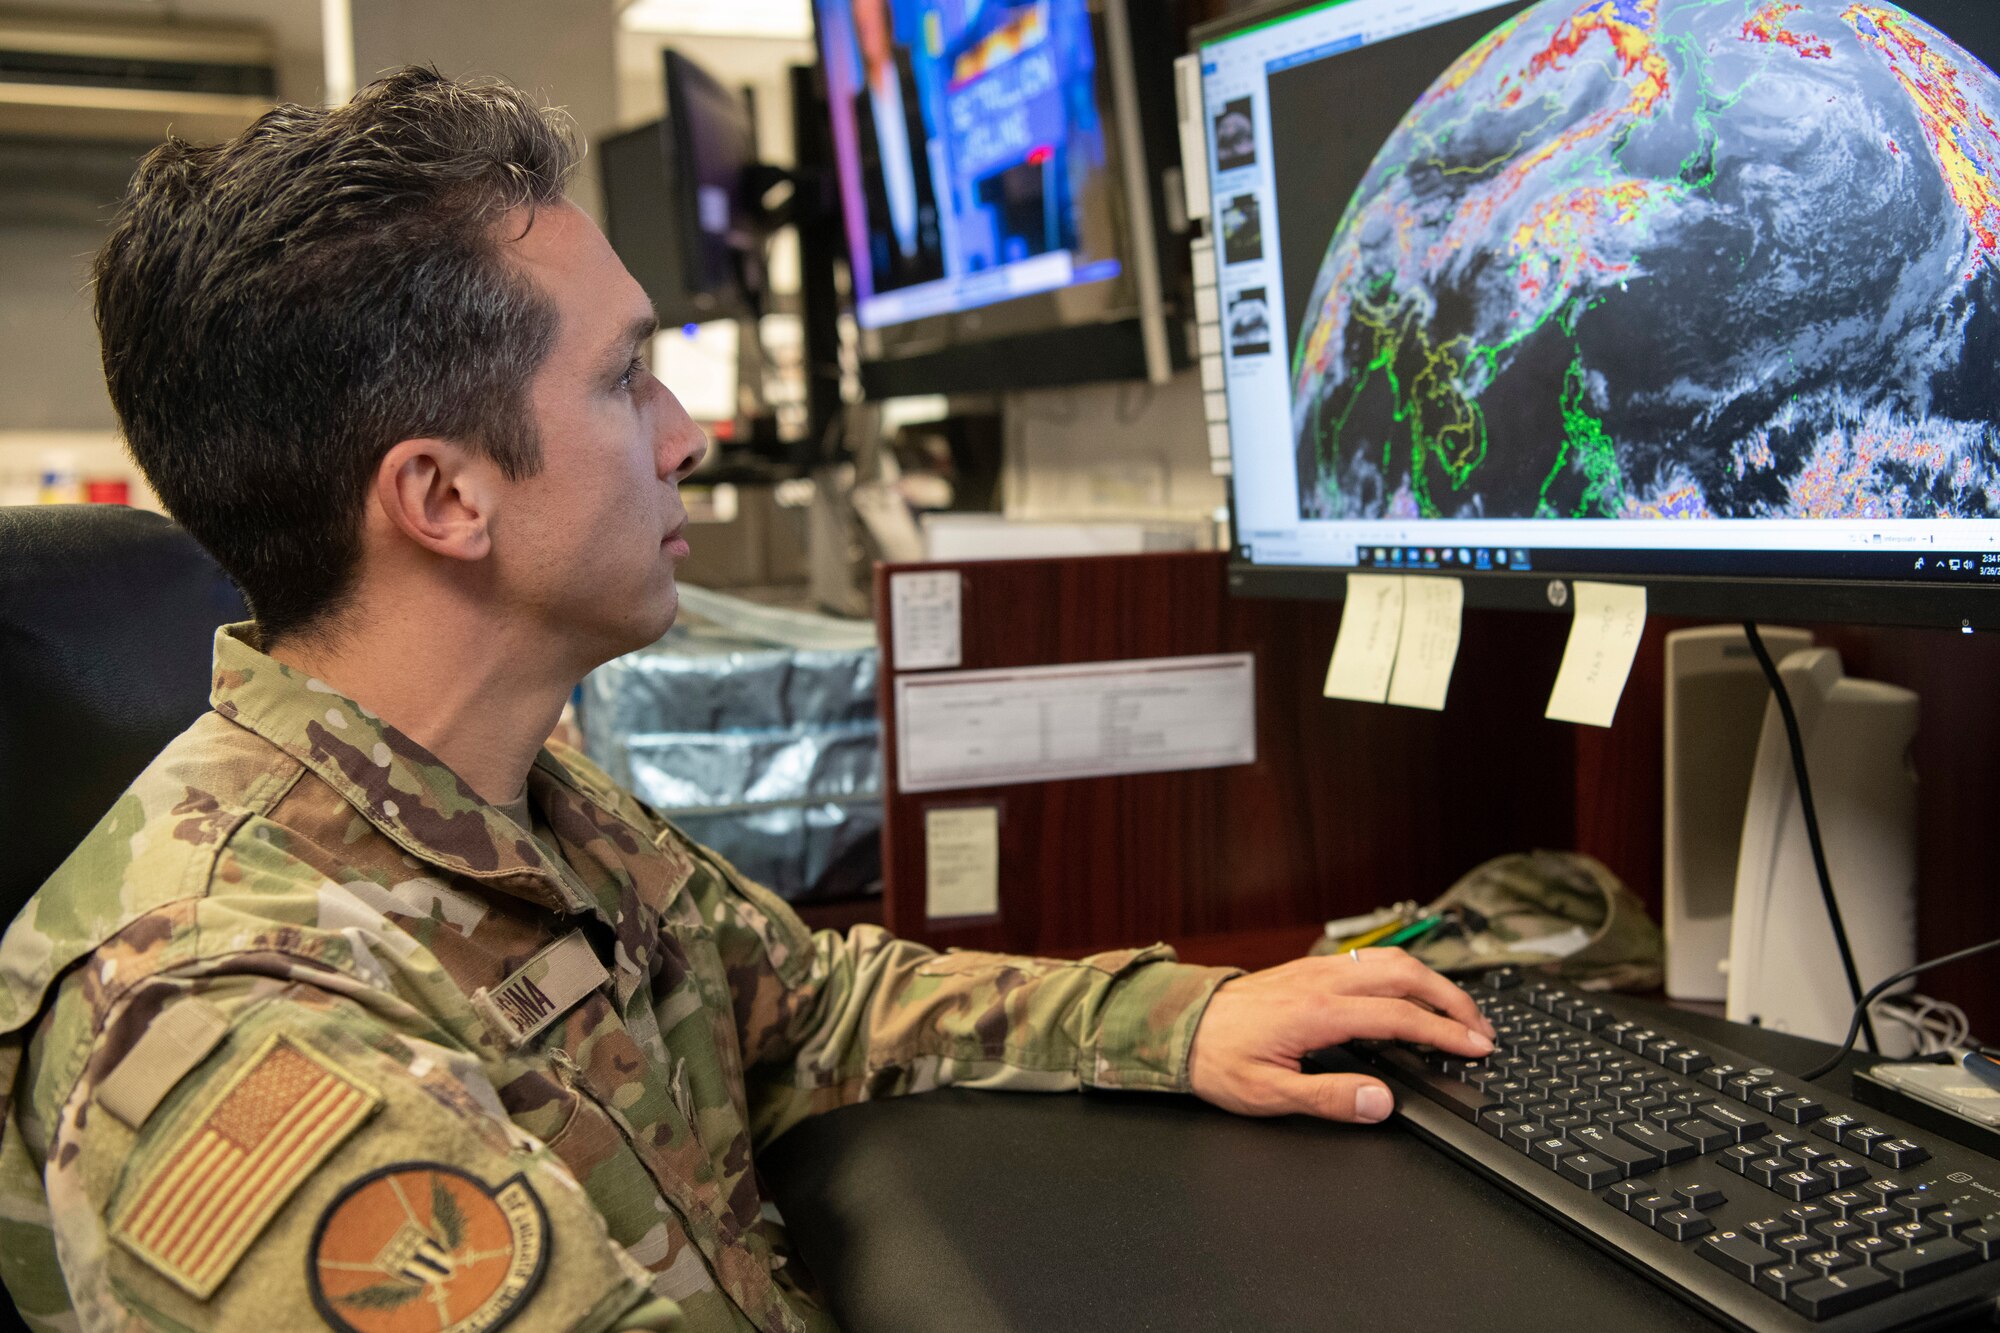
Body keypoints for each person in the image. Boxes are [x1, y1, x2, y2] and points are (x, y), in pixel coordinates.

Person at [0, 69, 1495, 1332]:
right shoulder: (225, 1030)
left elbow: (807, 1001)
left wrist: (1188, 1016)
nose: (691, 436)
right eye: (627, 381)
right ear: (443, 494)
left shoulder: (507, 803)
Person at [850, 0, 946, 291]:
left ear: (887, 20)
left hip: (940, 243)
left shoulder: (920, 74)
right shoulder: (858, 107)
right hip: (892, 268)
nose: (868, 30)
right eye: (861, 24)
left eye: (873, 19)